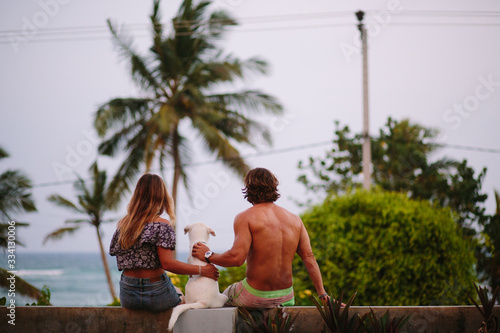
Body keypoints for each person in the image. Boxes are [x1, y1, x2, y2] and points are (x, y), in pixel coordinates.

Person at [192, 167, 330, 308]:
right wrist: (322, 294)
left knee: (220, 299)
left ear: (249, 189)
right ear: (274, 187)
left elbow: (236, 259)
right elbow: (309, 257)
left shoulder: (245, 217)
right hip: (286, 296)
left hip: (254, 295)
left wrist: (208, 255)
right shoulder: (295, 220)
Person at [109, 173, 219, 312]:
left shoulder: (123, 225)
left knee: (176, 290)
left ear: (136, 195)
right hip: (155, 293)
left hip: (128, 295)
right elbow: (168, 264)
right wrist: (202, 270)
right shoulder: (162, 225)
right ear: (161, 196)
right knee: (181, 297)